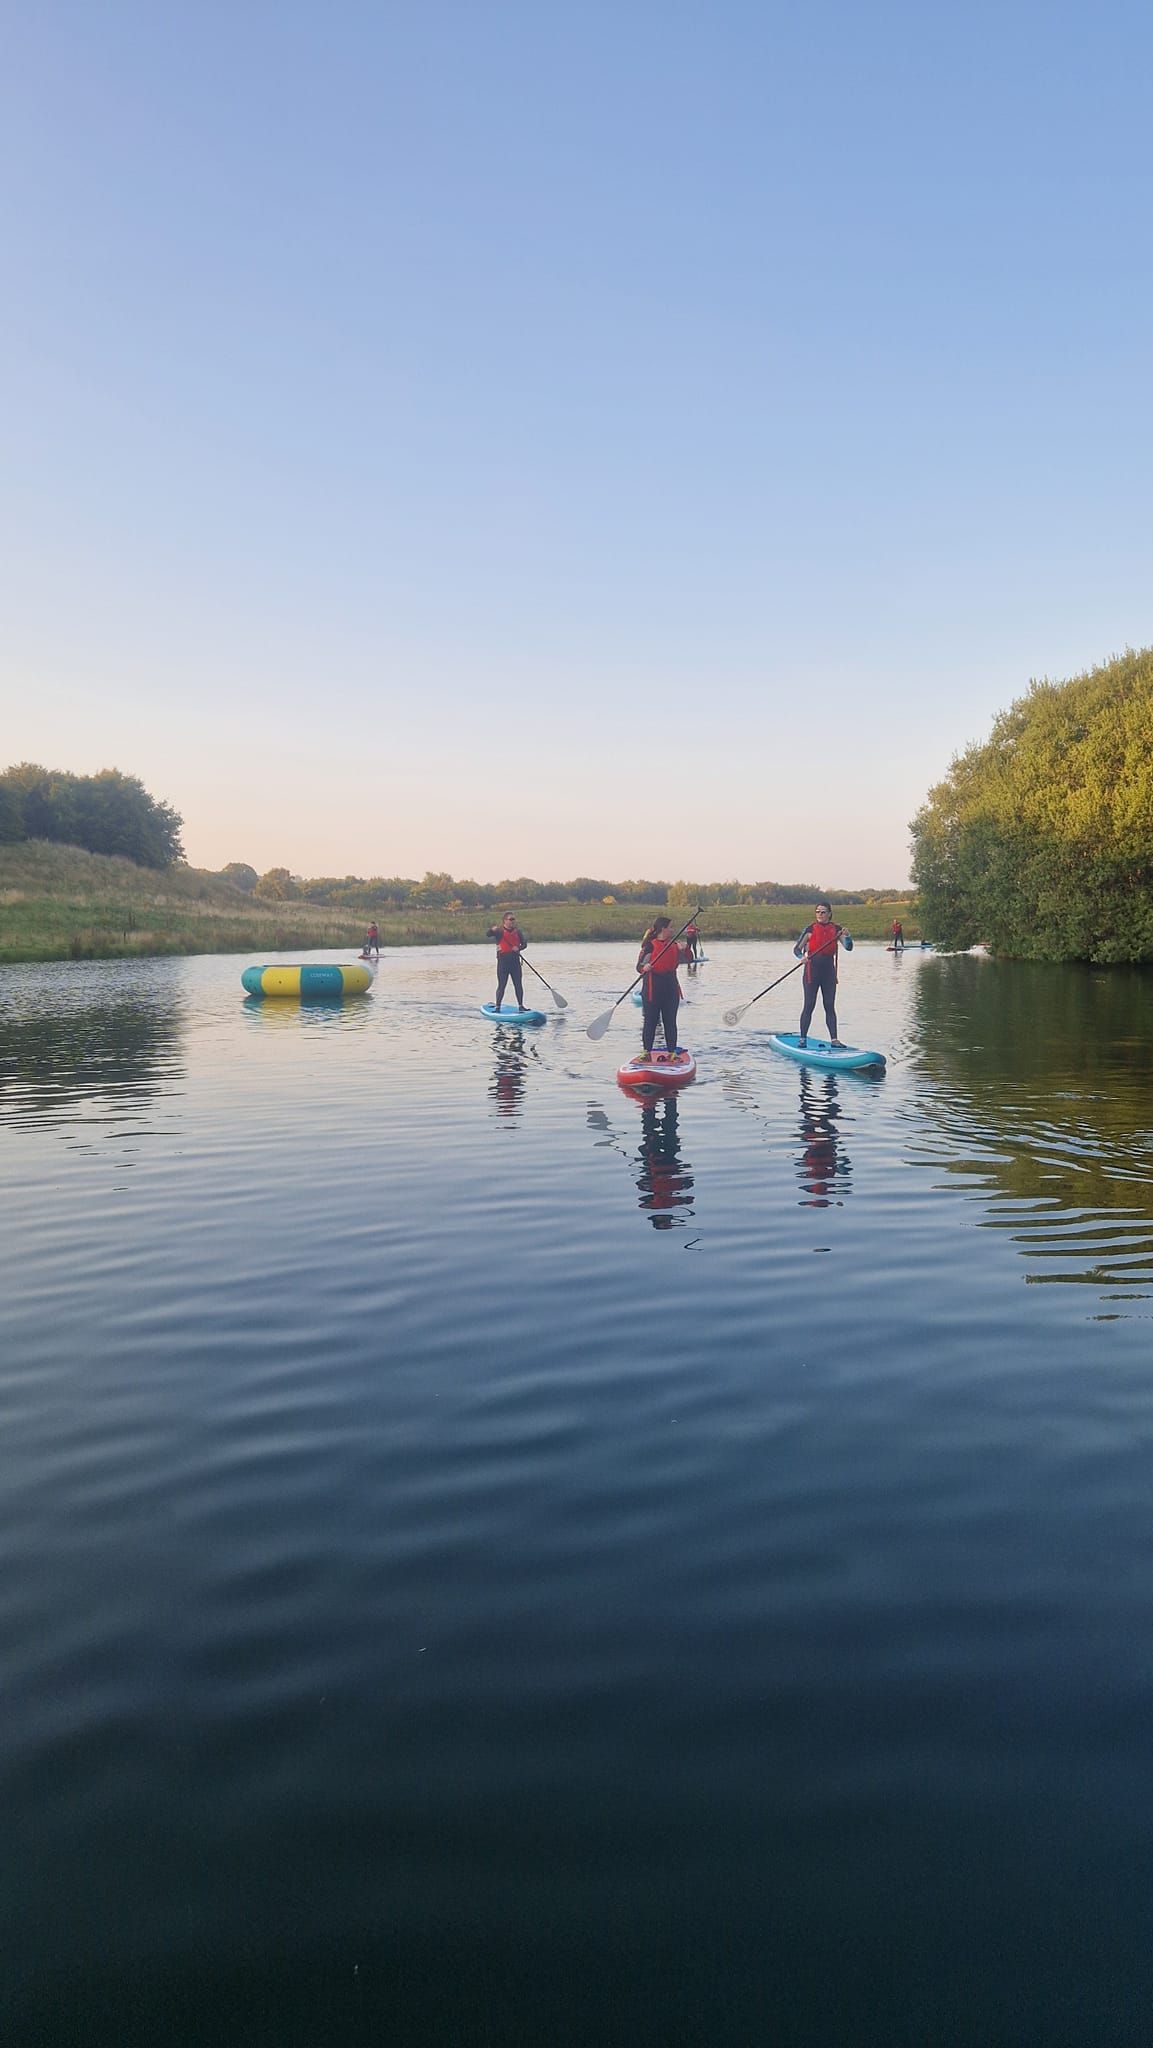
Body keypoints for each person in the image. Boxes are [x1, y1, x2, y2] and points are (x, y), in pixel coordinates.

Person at [793, 900, 853, 1047]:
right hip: (811, 972)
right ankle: (802, 1039)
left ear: (829, 914)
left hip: (828, 973)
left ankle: (834, 1040)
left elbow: (849, 947)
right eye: (818, 911)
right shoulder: (810, 929)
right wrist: (802, 958)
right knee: (809, 1005)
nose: (820, 914)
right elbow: (796, 949)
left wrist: (848, 936)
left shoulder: (837, 929)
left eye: (823, 912)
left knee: (829, 1005)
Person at [637, 914, 686, 1055]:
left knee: (670, 1022)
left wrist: (685, 949)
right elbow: (639, 966)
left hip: (670, 988)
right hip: (652, 989)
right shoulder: (649, 946)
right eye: (670, 927)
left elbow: (688, 959)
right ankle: (646, 1052)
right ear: (663, 929)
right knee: (650, 1022)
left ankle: (672, 1053)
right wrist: (644, 968)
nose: (673, 930)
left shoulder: (675, 945)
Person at [486, 911, 528, 1010]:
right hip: (503, 963)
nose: (513, 921)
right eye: (511, 919)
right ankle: (498, 1006)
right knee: (502, 985)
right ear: (505, 921)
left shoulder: (518, 932)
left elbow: (524, 944)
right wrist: (492, 929)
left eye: (514, 919)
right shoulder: (499, 931)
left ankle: (521, 1006)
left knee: (518, 985)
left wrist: (519, 948)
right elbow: (488, 934)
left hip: (515, 963)